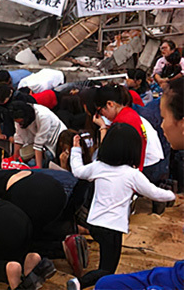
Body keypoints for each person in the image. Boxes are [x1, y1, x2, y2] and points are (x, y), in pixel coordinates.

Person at [92, 78, 184, 290]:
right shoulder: (126, 117)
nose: (161, 125)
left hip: (150, 169)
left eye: (163, 118)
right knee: (107, 283)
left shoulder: (125, 123)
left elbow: (128, 160)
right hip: (177, 272)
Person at [67, 123, 176, 290]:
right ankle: (79, 284)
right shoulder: (131, 174)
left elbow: (78, 171)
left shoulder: (98, 167)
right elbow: (153, 193)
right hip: (112, 228)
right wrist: (171, 195)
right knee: (107, 270)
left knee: (105, 261)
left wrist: (75, 150)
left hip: (94, 224)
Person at [93, 84, 148, 170]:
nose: (102, 115)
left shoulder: (122, 122)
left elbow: (106, 154)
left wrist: (102, 127)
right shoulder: (129, 113)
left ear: (110, 104)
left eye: (100, 111)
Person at [10, 100, 67, 168]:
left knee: (32, 164)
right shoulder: (17, 116)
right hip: (37, 145)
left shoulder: (43, 116)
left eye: (21, 122)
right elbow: (19, 137)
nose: (19, 124)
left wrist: (38, 169)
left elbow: (38, 144)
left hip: (54, 143)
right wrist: (14, 161)